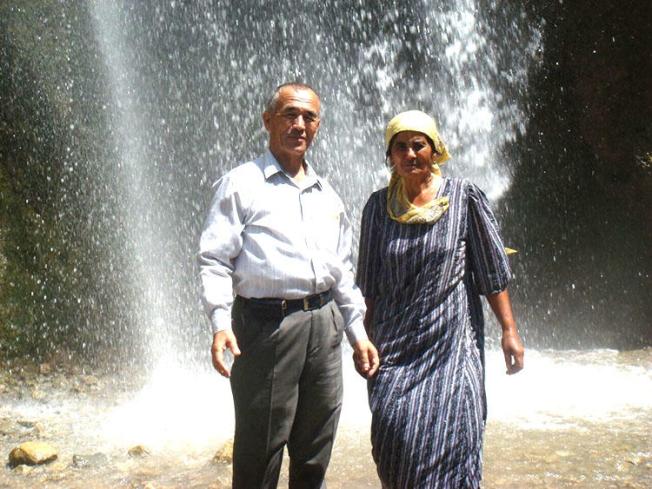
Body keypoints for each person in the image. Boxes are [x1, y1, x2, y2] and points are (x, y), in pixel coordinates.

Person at [198, 82, 379, 489]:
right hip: (266, 327)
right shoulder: (241, 184)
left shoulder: (328, 195)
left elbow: (341, 272)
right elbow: (214, 258)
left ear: (318, 126)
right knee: (260, 454)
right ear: (268, 121)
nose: (300, 124)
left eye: (309, 117)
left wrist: (358, 334)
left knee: (316, 449)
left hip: (324, 325)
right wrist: (220, 322)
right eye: (290, 115)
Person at [355, 110, 524, 488]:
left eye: (419, 145)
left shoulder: (464, 199)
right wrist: (360, 340)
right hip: (393, 348)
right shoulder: (377, 209)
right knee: (392, 441)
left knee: (451, 443)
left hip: (450, 347)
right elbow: (367, 283)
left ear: (435, 150)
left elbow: (492, 272)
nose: (410, 154)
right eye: (400, 147)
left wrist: (509, 330)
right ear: (390, 156)